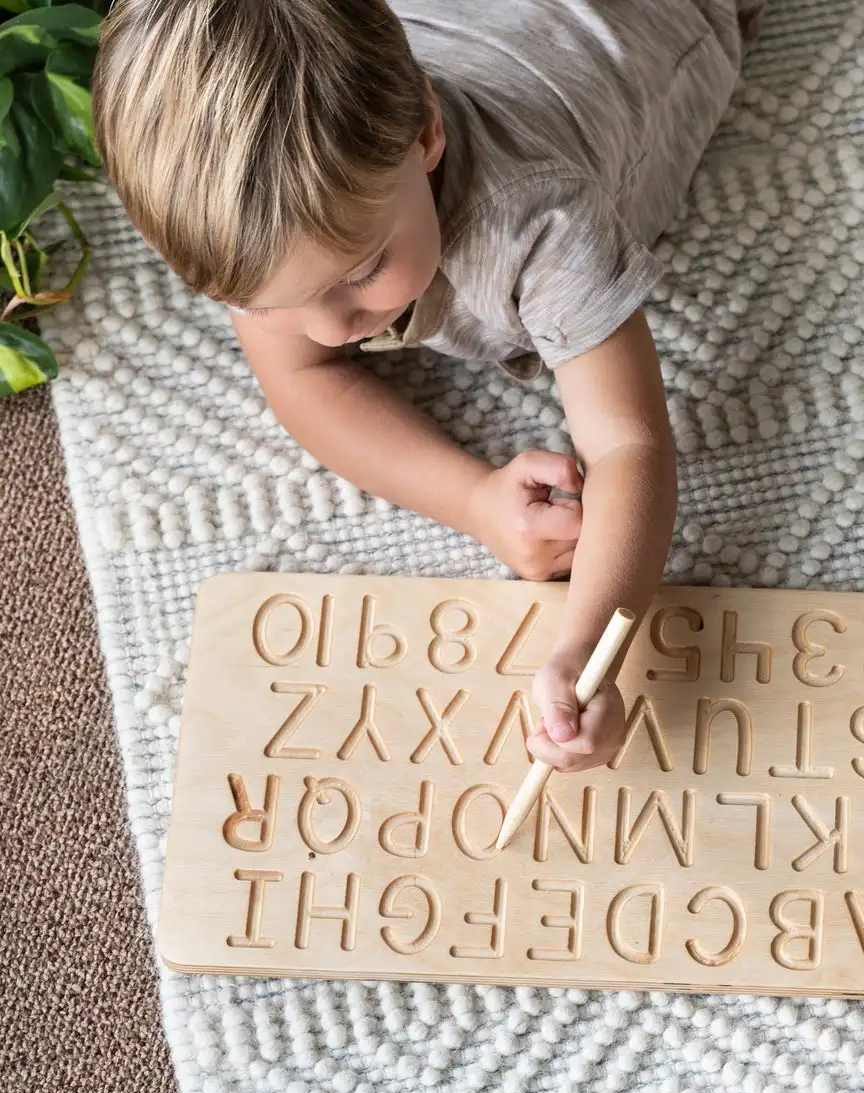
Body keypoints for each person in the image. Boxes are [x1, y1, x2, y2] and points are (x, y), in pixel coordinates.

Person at [92, 0, 757, 773]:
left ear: (426, 134)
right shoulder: (255, 236)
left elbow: (630, 444)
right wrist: (471, 499)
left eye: (363, 272)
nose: (327, 328)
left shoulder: (538, 221)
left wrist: (588, 647)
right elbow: (304, 381)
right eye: (263, 305)